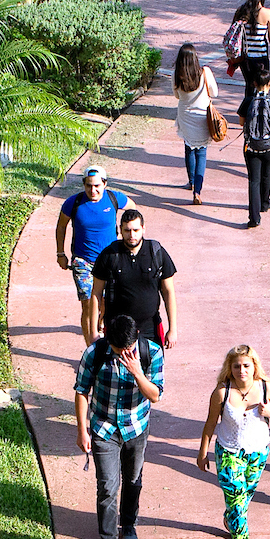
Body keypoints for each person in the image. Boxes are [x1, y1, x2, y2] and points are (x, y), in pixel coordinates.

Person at [74, 314, 164, 539]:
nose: (122, 354)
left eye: (126, 349)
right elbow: (81, 390)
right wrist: (82, 430)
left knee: (133, 480)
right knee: (107, 488)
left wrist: (137, 372)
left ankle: (129, 523)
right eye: (117, 350)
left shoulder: (152, 352)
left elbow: (155, 395)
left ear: (136, 338)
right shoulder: (95, 352)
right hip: (104, 428)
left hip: (136, 427)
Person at [197, 344, 270, 539]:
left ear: (254, 366)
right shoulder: (221, 392)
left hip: (258, 453)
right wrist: (202, 452)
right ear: (230, 368)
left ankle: (229, 518)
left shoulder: (266, 387)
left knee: (243, 499)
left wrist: (269, 413)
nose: (241, 370)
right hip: (228, 453)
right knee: (238, 506)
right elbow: (210, 423)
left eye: (246, 365)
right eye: (236, 366)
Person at [55, 166, 136, 344]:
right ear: (84, 185)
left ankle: (99, 324)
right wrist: (60, 253)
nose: (93, 190)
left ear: (105, 184)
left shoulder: (114, 198)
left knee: (107, 304)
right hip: (83, 262)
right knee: (88, 303)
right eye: (89, 186)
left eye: (97, 186)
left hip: (110, 261)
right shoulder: (73, 203)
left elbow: (133, 211)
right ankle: (91, 349)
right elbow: (61, 226)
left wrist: (128, 236)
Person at [91, 209, 178, 349]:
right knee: (115, 370)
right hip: (117, 328)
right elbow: (96, 293)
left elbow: (168, 292)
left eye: (136, 230)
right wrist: (93, 332)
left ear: (143, 229)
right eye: (127, 230)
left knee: (151, 369)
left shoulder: (156, 252)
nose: (132, 235)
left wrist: (173, 329)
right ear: (120, 230)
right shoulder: (109, 255)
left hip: (150, 327)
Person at [237, 65, 270, 228]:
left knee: (253, 179)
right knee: (267, 173)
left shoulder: (248, 101)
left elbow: (242, 122)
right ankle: (265, 202)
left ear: (253, 83)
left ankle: (254, 217)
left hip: (251, 147)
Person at [174, 42, 219, 206]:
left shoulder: (177, 75)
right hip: (202, 117)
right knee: (202, 153)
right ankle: (197, 191)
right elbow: (214, 92)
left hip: (185, 116)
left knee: (188, 148)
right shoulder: (204, 72)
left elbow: (176, 96)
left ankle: (191, 181)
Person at [232, 0, 270, 85]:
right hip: (261, 56)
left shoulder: (241, 11)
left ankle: (248, 101)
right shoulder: (268, 13)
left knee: (249, 86)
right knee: (262, 86)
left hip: (245, 57)